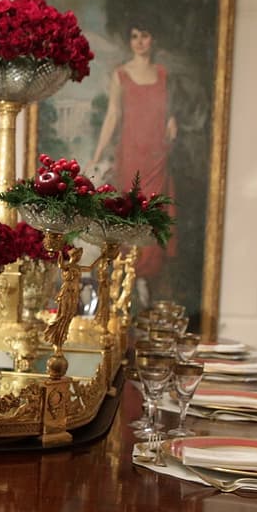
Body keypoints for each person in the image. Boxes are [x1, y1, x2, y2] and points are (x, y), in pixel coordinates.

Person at [89, 21, 178, 302]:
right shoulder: (121, 75)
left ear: (153, 39)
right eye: (134, 36)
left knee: (154, 212)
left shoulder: (162, 74)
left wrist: (171, 122)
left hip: (156, 154)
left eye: (145, 35)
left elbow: (168, 110)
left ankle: (147, 280)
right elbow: (113, 114)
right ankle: (130, 280)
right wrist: (97, 155)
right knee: (131, 212)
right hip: (131, 154)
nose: (139, 42)